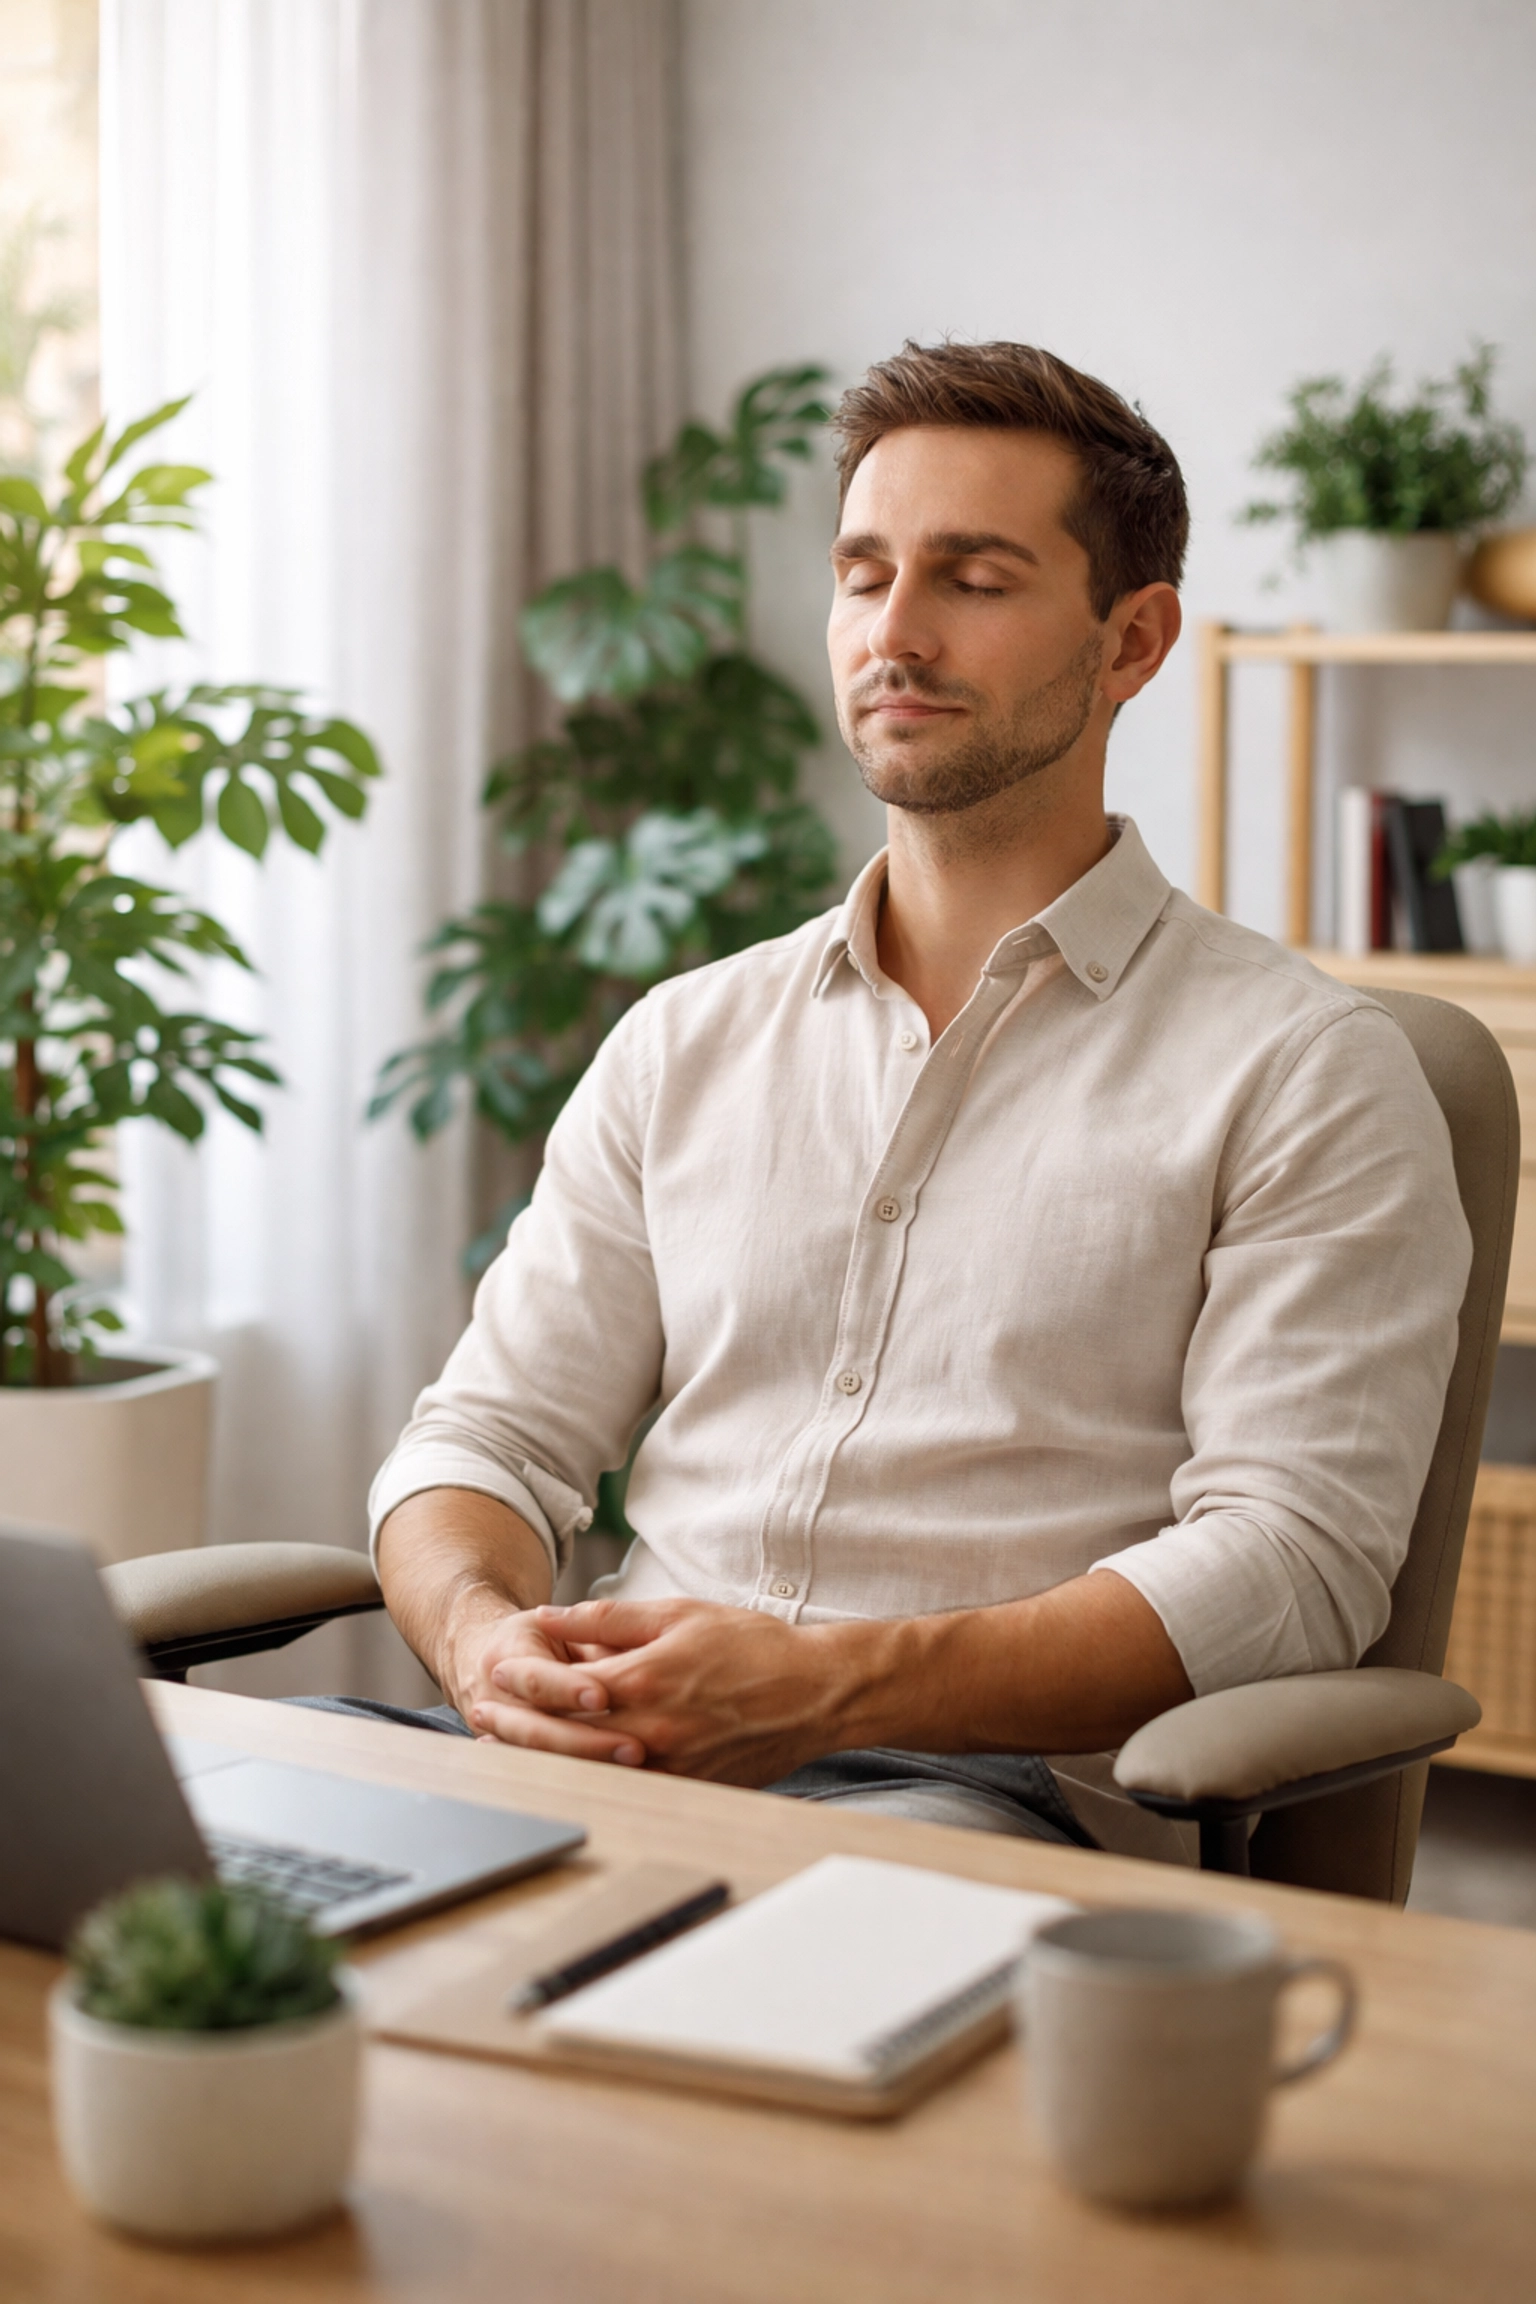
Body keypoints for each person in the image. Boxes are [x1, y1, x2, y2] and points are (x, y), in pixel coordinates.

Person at [361, 341, 1470, 1862]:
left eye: (977, 579)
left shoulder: (1307, 1074)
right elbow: (478, 1443)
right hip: (599, 1767)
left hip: (968, 1806)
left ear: (1133, 641)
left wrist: (826, 1688)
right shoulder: (685, 1039)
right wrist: (484, 1642)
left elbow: (1288, 1566)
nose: (897, 632)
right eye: (864, 572)